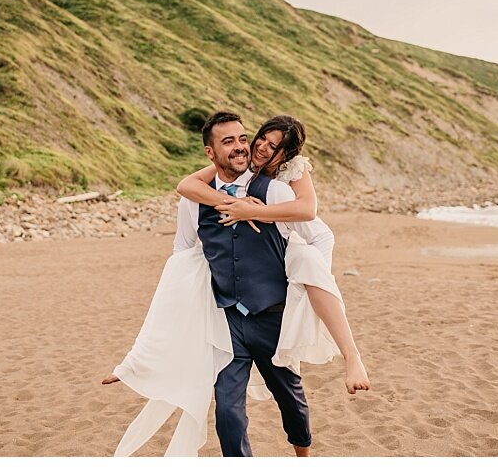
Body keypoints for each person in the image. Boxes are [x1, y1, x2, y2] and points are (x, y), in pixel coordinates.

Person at [103, 112, 367, 457]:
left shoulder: (274, 190)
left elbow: (317, 230)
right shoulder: (194, 200)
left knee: (291, 400)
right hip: (226, 321)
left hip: (272, 315)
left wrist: (302, 271)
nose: (243, 147)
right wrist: (145, 350)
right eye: (230, 141)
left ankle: (303, 456)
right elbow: (183, 255)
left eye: (243, 138)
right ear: (210, 153)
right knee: (227, 411)